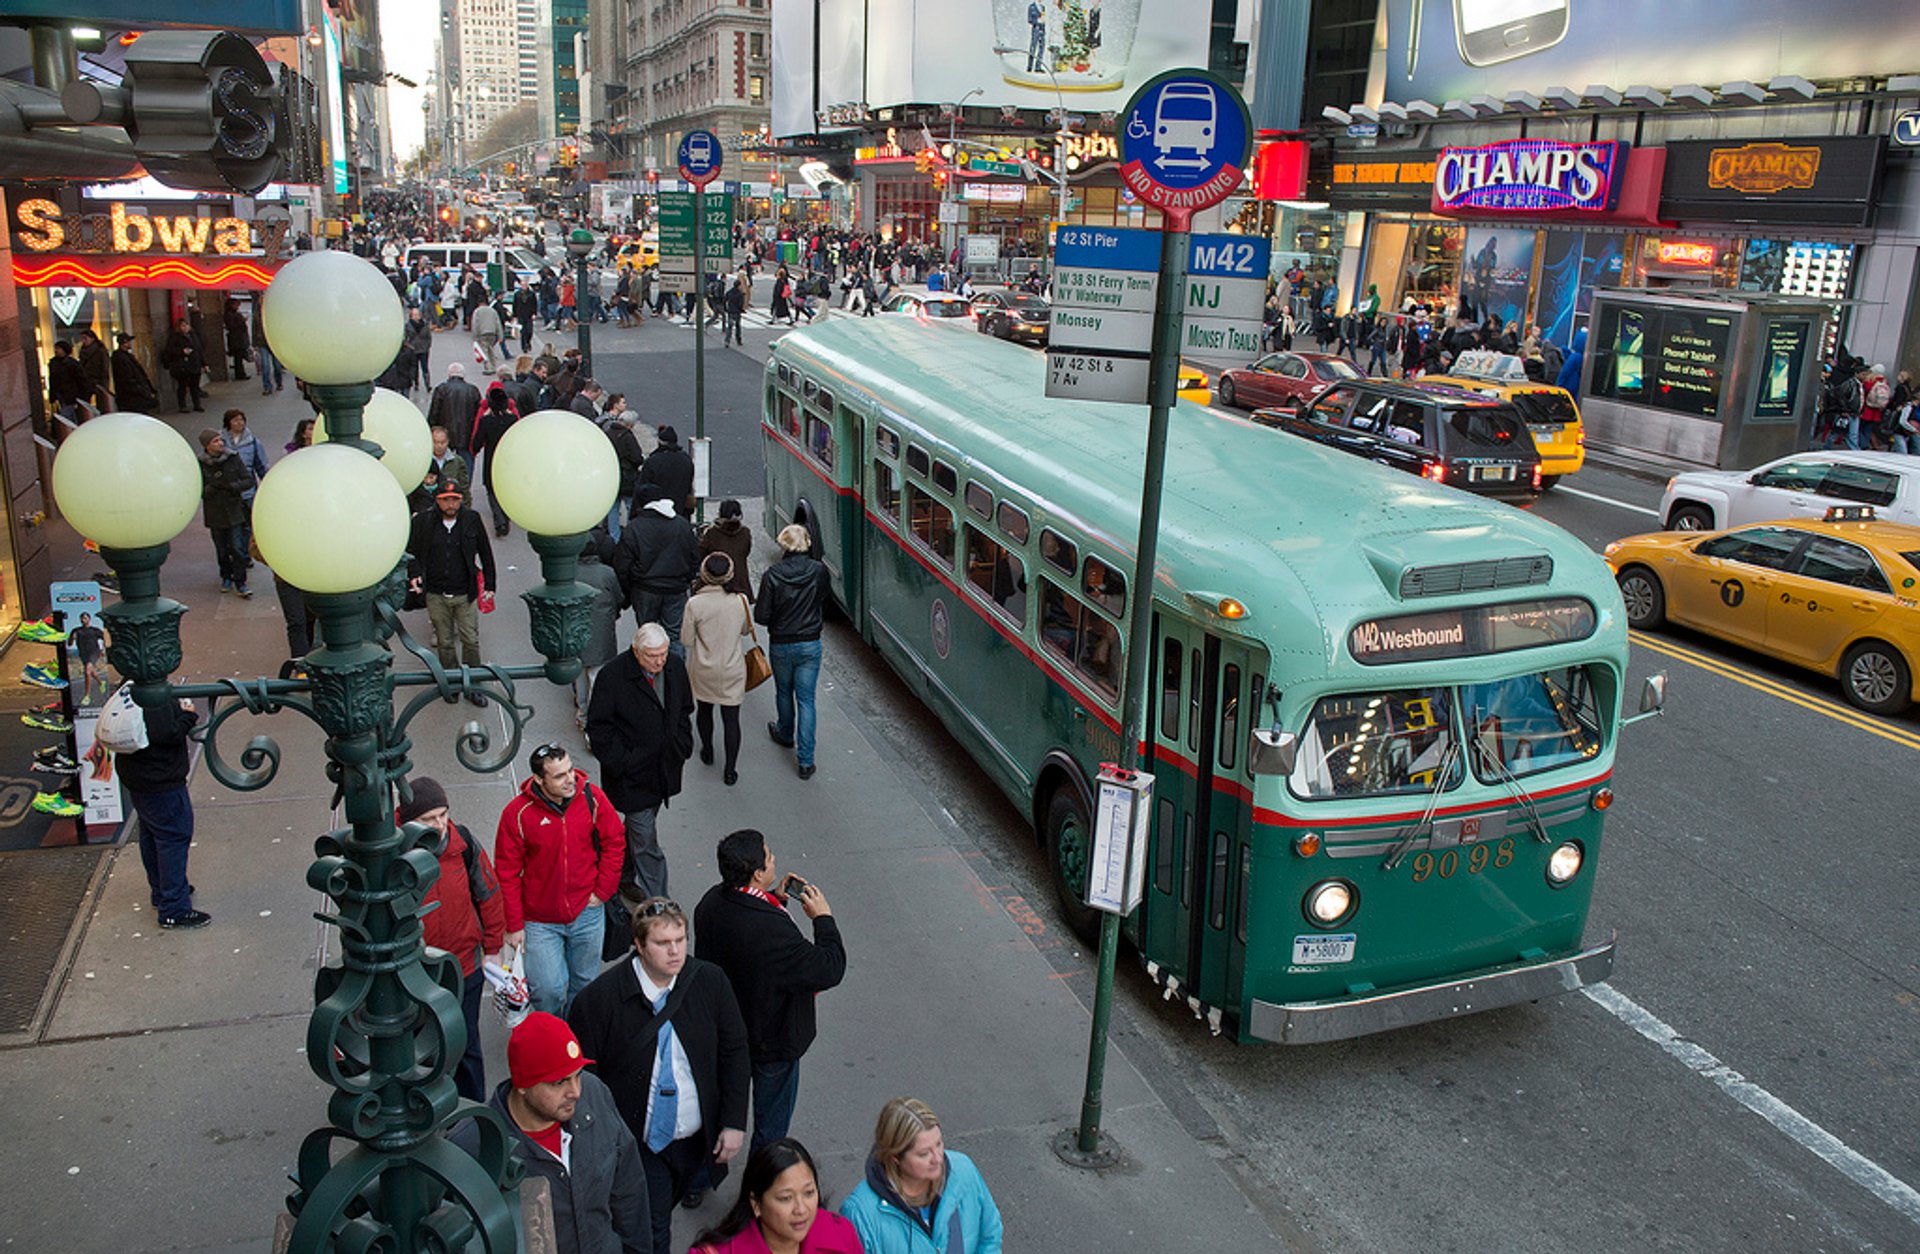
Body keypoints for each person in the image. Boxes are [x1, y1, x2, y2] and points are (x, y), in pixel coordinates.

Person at [566, 898, 750, 1254]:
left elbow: (734, 1051)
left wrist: (732, 1121)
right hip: (638, 1144)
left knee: (662, 1208)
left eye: (680, 940)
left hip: (696, 1139)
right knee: (651, 1233)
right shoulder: (599, 1001)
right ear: (638, 945)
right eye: (663, 943)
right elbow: (584, 1078)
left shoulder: (708, 982)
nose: (675, 952)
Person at [693, 830, 845, 1151]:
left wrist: (773, 897)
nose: (774, 857)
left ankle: (699, 1178)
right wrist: (823, 919)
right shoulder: (772, 931)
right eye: (769, 855)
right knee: (771, 1123)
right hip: (771, 1040)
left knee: (721, 1108)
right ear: (758, 873)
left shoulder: (710, 903)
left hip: (727, 1031)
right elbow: (829, 966)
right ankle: (760, 1182)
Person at [454, 1012, 653, 1254]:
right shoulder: (473, 1146)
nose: (576, 1092)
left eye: (577, 1075)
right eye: (559, 1082)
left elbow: (629, 1187)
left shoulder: (594, 1093)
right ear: (523, 1085)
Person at [495, 743, 624, 1016]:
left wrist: (602, 891)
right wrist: (515, 924)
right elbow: (506, 872)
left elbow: (614, 841)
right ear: (539, 780)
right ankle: (551, 1042)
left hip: (587, 912)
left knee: (585, 984)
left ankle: (574, 1037)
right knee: (548, 990)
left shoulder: (593, 798)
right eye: (559, 776)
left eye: (570, 771)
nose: (570, 780)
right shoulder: (517, 814)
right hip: (540, 922)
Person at [398, 776, 504, 1101]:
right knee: (420, 1045)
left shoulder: (463, 844)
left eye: (443, 814)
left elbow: (489, 895)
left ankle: (472, 1111)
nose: (440, 824)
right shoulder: (393, 855)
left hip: (463, 968)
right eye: (429, 819)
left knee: (466, 1044)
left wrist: (493, 948)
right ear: (407, 821)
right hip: (416, 973)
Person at [586, 622, 693, 913]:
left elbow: (684, 707)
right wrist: (623, 761)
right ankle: (661, 906)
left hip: (663, 769)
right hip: (631, 777)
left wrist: (682, 743)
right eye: (652, 656)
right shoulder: (613, 676)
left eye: (663, 654)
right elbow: (599, 728)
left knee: (638, 831)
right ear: (636, 651)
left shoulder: (673, 665)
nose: (660, 661)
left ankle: (619, 874)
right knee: (646, 840)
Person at [841, 1098, 1002, 1254]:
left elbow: (990, 1232)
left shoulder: (963, 1169)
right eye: (924, 1154)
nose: (938, 1158)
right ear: (895, 1158)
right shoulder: (860, 1214)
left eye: (939, 1144)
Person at [119, 694, 208, 929]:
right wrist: (188, 714)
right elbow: (166, 733)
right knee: (173, 837)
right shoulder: (152, 694)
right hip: (160, 779)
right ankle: (174, 908)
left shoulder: (130, 687)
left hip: (138, 776)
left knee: (153, 834)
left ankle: (164, 890)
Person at [689, 1139, 863, 1254]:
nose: (801, 1209)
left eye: (809, 1193)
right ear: (756, 1204)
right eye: (786, 1198)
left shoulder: (841, 1234)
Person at [756, 524, 831, 781]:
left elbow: (762, 616)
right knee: (807, 699)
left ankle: (785, 733)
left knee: (784, 692)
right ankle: (806, 761)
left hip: (782, 642)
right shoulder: (819, 571)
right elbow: (823, 597)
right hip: (810, 643)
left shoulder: (772, 575)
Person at [407, 482, 496, 695]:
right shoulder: (424, 522)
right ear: (437, 500)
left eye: (454, 499)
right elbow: (412, 553)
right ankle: (452, 681)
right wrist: (415, 575)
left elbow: (485, 552)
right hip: (436, 593)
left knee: (470, 639)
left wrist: (490, 584)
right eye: (446, 499)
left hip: (465, 592)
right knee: (444, 641)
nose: (450, 504)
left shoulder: (471, 520)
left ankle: (474, 683)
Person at [681, 554, 751, 786]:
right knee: (732, 720)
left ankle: (708, 750)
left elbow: (686, 640)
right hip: (732, 668)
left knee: (704, 710)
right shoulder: (740, 600)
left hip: (704, 667)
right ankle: (730, 770)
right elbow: (743, 630)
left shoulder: (695, 604)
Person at [613, 484, 700, 646]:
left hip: (645, 588)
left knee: (647, 637)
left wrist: (628, 592)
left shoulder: (634, 528)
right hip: (675, 587)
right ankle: (674, 669)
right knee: (674, 636)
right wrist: (686, 579)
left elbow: (622, 566)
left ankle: (649, 668)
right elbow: (694, 557)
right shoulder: (681, 525)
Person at [574, 527, 625, 728]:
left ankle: (582, 713)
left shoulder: (571, 573)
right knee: (597, 677)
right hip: (602, 634)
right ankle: (596, 718)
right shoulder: (607, 573)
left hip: (577, 633)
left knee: (579, 678)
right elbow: (619, 597)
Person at [198, 428, 254, 597]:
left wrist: (232, 487)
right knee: (221, 548)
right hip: (215, 511)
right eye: (215, 441)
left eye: (221, 440)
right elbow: (196, 488)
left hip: (234, 509)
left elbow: (247, 480)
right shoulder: (200, 463)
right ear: (207, 445)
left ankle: (240, 581)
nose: (220, 443)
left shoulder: (232, 458)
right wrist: (210, 488)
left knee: (237, 548)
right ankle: (226, 576)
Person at [222, 408, 270, 568]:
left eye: (242, 419)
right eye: (235, 420)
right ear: (228, 423)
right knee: (233, 527)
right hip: (228, 493)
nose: (239, 423)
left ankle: (244, 554)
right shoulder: (220, 442)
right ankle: (237, 553)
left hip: (248, 491)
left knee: (248, 526)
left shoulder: (253, 443)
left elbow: (261, 466)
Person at [473, 381, 522, 537]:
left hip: (491, 459)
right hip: (508, 460)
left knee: (492, 491)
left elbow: (476, 443)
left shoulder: (486, 421)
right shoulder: (512, 419)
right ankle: (505, 517)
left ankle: (499, 520)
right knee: (506, 490)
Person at [427, 361, 483, 475]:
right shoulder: (473, 390)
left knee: (444, 461)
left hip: (445, 433)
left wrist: (431, 430)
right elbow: (479, 414)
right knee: (467, 462)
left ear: (449, 375)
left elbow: (434, 412)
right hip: (466, 434)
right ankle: (465, 485)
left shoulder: (441, 389)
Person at [603, 395, 644, 542]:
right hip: (627, 478)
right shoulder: (627, 437)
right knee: (630, 507)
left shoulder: (608, 433)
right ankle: (632, 537)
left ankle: (615, 537)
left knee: (613, 509)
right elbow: (637, 457)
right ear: (629, 425)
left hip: (612, 476)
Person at [698, 500, 755, 601]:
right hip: (741, 583)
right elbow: (746, 552)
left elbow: (702, 554)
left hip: (718, 583)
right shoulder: (745, 533)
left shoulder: (712, 534)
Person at [637, 424, 695, 517]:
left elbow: (643, 486)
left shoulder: (653, 461)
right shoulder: (686, 459)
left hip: (657, 511)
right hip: (681, 510)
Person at [162, 316, 207, 412]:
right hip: (182, 365)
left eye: (186, 325)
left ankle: (197, 404)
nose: (185, 327)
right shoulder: (174, 337)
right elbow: (169, 350)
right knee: (182, 386)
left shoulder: (193, 335)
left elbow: (199, 350)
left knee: (194, 386)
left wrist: (204, 363)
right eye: (183, 326)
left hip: (194, 363)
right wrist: (182, 352)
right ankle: (182, 405)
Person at [111, 332, 159, 412]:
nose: (130, 344)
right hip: (131, 396)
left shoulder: (126, 356)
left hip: (134, 394)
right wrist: (141, 390)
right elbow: (127, 378)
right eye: (128, 342)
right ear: (124, 343)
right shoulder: (121, 358)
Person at [47, 339, 91, 423]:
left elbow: (81, 380)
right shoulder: (54, 363)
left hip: (70, 394)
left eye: (58, 348)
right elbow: (52, 380)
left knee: (68, 415)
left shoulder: (72, 364)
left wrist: (83, 394)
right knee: (68, 415)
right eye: (56, 348)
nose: (56, 350)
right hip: (61, 394)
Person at [70, 611, 108, 706]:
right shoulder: (76, 630)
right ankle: (100, 682)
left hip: (94, 652)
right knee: (91, 671)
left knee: (87, 671)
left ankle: (87, 696)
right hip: (83, 654)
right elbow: (69, 644)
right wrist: (72, 638)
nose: (83, 620)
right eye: (82, 618)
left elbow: (105, 639)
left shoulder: (94, 630)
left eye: (85, 618)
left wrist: (103, 649)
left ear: (89, 619)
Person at [251, 298, 286, 394]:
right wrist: (254, 343)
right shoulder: (256, 314)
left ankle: (279, 382)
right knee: (265, 366)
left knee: (277, 366)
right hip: (262, 342)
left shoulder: (274, 313)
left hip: (274, 342)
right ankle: (267, 387)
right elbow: (254, 328)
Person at [76, 328, 113, 412]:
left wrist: (104, 385)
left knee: (101, 403)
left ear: (92, 338)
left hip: (98, 380)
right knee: (85, 404)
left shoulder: (100, 350)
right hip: (86, 381)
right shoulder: (82, 351)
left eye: (85, 338)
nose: (83, 341)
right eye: (82, 338)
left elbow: (104, 368)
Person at [403, 306, 435, 393]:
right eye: (414, 315)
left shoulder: (424, 325)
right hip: (413, 349)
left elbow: (429, 337)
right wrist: (409, 347)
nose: (416, 316)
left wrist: (427, 346)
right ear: (411, 316)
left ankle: (427, 384)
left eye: (418, 314)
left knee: (425, 367)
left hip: (423, 349)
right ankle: (416, 383)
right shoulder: (408, 326)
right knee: (414, 367)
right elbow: (405, 338)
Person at [222, 299, 251, 381]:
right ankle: (240, 374)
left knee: (239, 357)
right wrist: (242, 321)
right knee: (238, 358)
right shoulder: (229, 314)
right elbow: (231, 326)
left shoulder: (233, 313)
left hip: (238, 338)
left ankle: (241, 373)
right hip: (236, 339)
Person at [472, 297, 503, 369]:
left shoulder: (477, 311)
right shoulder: (493, 311)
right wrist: (500, 335)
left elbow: (475, 324)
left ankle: (488, 367)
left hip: (482, 333)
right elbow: (498, 323)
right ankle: (494, 365)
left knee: (484, 351)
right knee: (491, 350)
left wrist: (475, 337)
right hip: (492, 333)